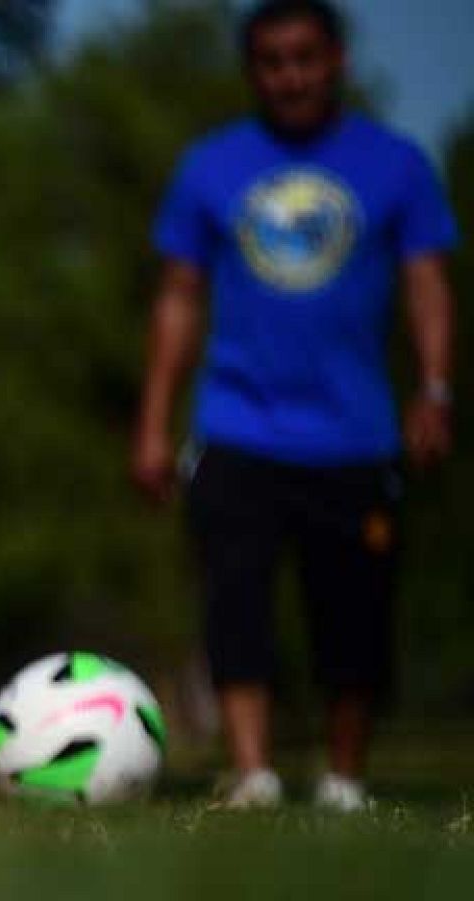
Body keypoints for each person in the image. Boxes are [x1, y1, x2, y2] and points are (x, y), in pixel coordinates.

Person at [133, 0, 459, 811]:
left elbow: (426, 281)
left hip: (356, 432)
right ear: (254, 72)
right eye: (273, 61)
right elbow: (177, 297)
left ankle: (344, 779)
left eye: (305, 58)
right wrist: (152, 424)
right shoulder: (211, 166)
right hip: (236, 424)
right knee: (235, 603)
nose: (291, 75)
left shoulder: (398, 165)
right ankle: (253, 773)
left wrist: (436, 387)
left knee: (355, 617)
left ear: (336, 61)